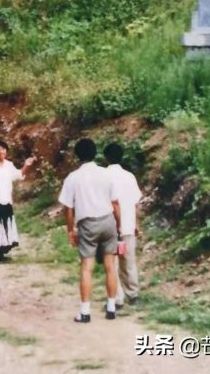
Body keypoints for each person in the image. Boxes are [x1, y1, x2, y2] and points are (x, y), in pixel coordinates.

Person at [58, 138, 121, 323]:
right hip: (108, 220)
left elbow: (68, 209)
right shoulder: (106, 174)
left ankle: (85, 312)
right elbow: (115, 203)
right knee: (111, 266)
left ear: (77, 156)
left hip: (87, 224)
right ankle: (111, 307)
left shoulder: (72, 178)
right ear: (96, 153)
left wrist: (71, 230)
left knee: (87, 267)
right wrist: (118, 225)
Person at [0, 140, 36, 261]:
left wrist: (27, 165)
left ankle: (2, 252)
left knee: (4, 224)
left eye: (3, 149)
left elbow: (19, 175)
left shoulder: (9, 165)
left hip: (6, 199)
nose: (1, 151)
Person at [103, 142, 142, 309]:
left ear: (105, 158)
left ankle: (117, 298)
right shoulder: (129, 176)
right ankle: (133, 293)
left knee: (112, 264)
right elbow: (135, 203)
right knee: (129, 260)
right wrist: (136, 223)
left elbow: (108, 202)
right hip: (128, 224)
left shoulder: (103, 176)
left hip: (109, 226)